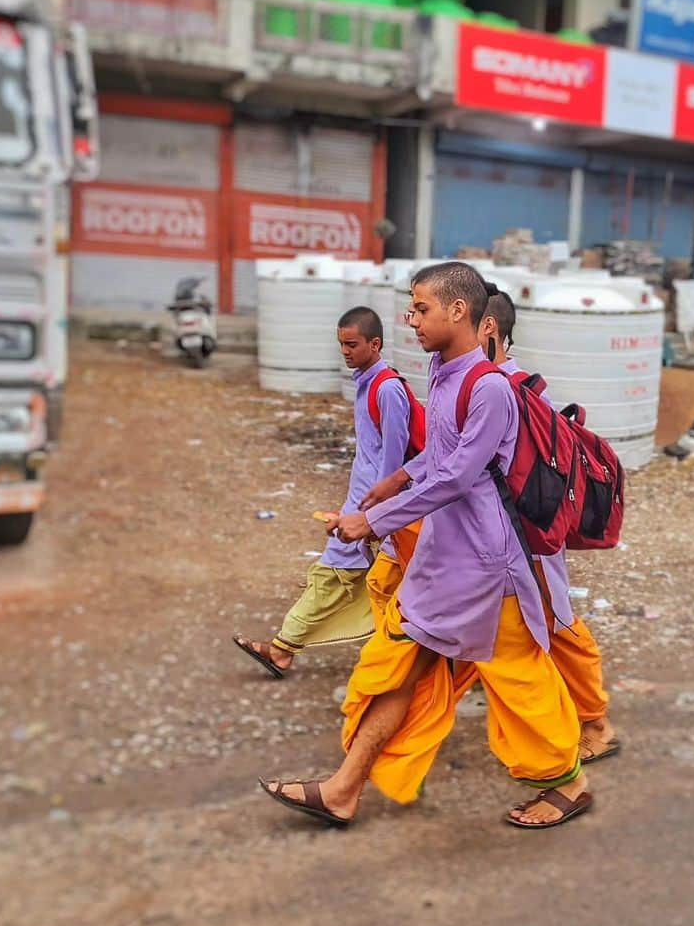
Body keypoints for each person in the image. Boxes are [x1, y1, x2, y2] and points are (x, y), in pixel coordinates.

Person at [259, 262, 592, 830]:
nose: (410, 320)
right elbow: (436, 459)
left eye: (421, 309)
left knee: (519, 677)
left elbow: (457, 476)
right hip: (443, 564)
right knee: (397, 670)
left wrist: (376, 520)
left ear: (459, 311)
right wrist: (387, 488)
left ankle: (568, 783)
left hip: (489, 569)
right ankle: (343, 789)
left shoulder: (489, 388)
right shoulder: (442, 373)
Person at [475, 288, 620, 766]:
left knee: (556, 625)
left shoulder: (514, 391)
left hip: (527, 540)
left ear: (489, 329)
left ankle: (593, 723)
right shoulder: (487, 383)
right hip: (491, 545)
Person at [233, 306, 412, 677]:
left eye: (352, 344)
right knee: (372, 585)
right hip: (365, 506)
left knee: (334, 576)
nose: (345, 352)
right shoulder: (368, 384)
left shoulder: (388, 390)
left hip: (374, 510)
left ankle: (283, 649)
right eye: (341, 345)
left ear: (375, 344)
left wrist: (375, 516)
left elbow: (393, 465)